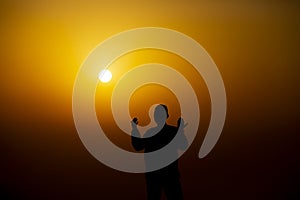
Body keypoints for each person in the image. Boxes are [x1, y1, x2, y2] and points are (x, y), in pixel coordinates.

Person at [131, 104, 188, 200]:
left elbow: (183, 145)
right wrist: (134, 130)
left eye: (159, 114)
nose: (157, 116)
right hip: (163, 175)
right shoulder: (170, 132)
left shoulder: (153, 133)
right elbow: (138, 146)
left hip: (161, 175)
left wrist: (134, 130)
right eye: (157, 114)